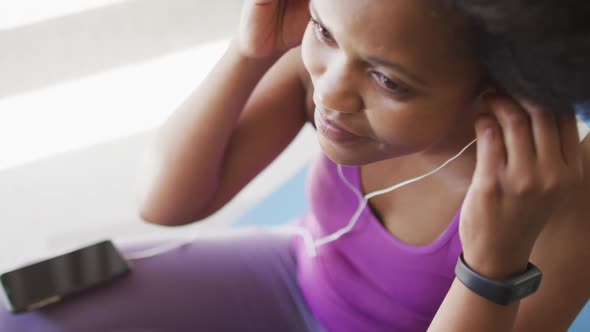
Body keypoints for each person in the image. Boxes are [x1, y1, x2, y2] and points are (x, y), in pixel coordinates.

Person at [2, 0, 589, 331]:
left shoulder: (554, 199)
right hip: (296, 273)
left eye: (388, 80)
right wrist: (248, 52)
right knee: (22, 301)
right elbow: (165, 204)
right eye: (322, 29)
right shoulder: (334, 69)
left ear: (501, 93)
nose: (332, 91)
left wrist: (494, 264)